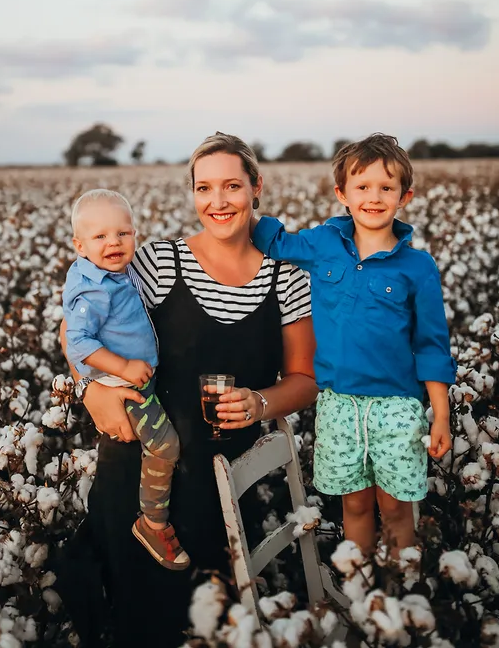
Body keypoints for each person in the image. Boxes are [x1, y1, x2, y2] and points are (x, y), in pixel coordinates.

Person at [58, 132, 317, 648]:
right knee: (136, 618)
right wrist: (91, 391)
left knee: (202, 619)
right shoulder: (158, 262)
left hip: (218, 479)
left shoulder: (287, 276)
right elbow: (75, 326)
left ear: (256, 187)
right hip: (137, 467)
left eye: (231, 186)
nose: (217, 202)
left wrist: (259, 402)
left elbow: (305, 382)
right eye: (203, 188)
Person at [252, 133, 457, 558]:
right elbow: (275, 242)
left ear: (406, 196)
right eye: (362, 187)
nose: (374, 197)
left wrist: (441, 416)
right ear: (342, 194)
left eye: (387, 187)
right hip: (337, 405)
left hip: (397, 409)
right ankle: (363, 595)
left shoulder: (418, 267)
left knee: (397, 509)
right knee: (355, 505)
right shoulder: (324, 243)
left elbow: (432, 345)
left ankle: (400, 603)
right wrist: (242, 202)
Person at [63, 188, 189, 570]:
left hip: (135, 379)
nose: (114, 243)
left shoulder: (112, 271)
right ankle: (153, 523)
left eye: (123, 233)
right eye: (100, 237)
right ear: (79, 245)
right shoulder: (93, 287)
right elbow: (78, 341)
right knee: (165, 448)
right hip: (125, 387)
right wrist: (122, 368)